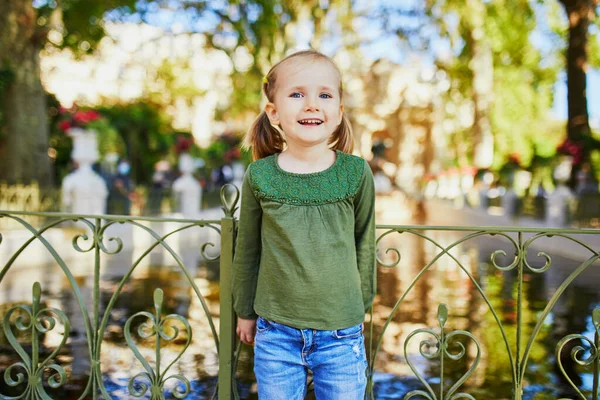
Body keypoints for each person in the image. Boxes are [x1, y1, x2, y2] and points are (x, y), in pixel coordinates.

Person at [232, 50, 376, 399]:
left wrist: (361, 305)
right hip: (275, 332)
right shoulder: (260, 175)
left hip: (341, 333)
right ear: (274, 112)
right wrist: (245, 312)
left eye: (324, 95)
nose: (312, 105)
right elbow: (248, 249)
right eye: (297, 94)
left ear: (339, 113)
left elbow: (364, 242)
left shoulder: (356, 173)